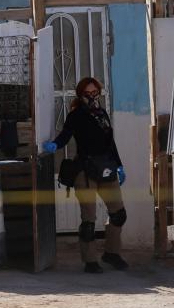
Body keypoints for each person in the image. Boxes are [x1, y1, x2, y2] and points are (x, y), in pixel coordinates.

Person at [43, 77, 128, 273]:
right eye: (87, 93)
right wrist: (55, 145)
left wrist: (119, 166)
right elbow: (65, 134)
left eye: (94, 92)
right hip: (85, 170)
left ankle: (112, 253)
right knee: (89, 220)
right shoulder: (76, 115)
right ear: (80, 95)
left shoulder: (102, 114)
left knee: (119, 214)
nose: (91, 96)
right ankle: (90, 261)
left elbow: (110, 143)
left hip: (106, 167)